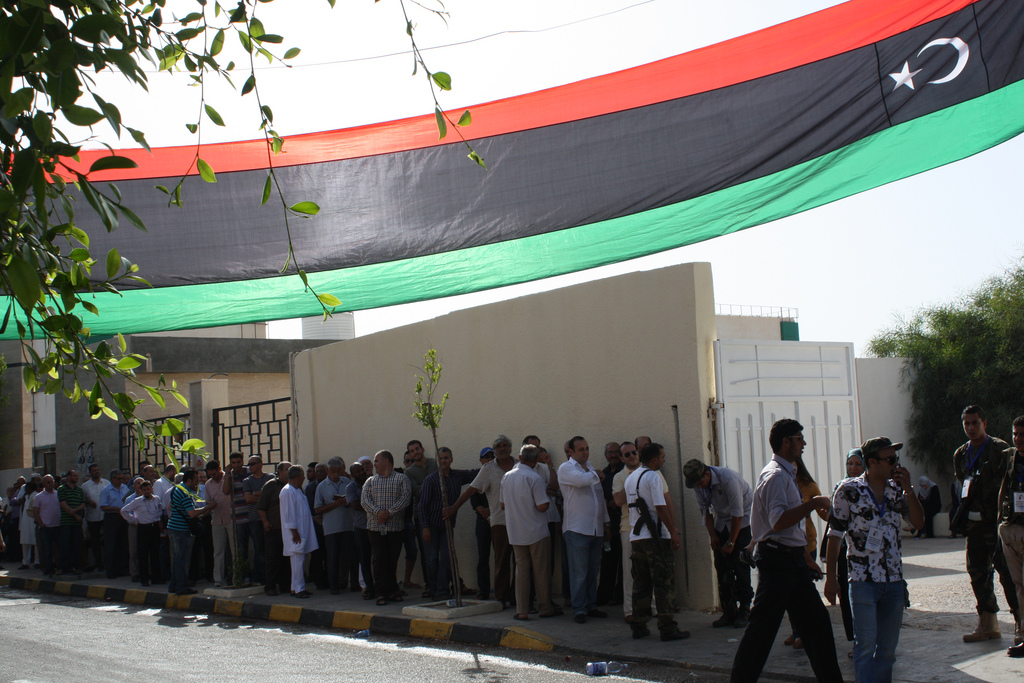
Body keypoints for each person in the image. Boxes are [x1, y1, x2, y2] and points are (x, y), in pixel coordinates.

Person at [730, 418, 841, 683]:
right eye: (799, 438)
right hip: (778, 563)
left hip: (791, 563)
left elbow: (788, 532)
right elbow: (778, 522)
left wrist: (805, 558)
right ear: (785, 442)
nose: (803, 444)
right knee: (761, 632)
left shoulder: (786, 474)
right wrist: (813, 503)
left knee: (817, 628)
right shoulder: (776, 476)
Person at [825, 437, 924, 682]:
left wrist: (909, 489)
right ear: (872, 462)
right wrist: (831, 580)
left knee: (888, 651)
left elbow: (919, 523)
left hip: (893, 582)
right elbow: (834, 536)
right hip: (862, 581)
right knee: (865, 646)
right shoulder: (848, 491)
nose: (895, 465)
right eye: (890, 460)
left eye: (896, 460)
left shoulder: (896, 490)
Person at [953, 405, 1017, 641]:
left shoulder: (1000, 449)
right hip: (974, 524)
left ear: (984, 423)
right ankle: (988, 623)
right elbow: (962, 484)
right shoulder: (961, 454)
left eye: (975, 423)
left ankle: (1020, 623)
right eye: (966, 423)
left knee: (1008, 574)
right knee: (978, 573)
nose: (970, 427)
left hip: (997, 522)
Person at [624, 442, 689, 641]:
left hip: (637, 537)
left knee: (641, 583)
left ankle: (639, 625)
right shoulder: (653, 476)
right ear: (654, 460)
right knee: (664, 582)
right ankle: (667, 627)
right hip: (655, 537)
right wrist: (673, 532)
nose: (664, 460)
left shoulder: (631, 477)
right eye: (662, 457)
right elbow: (660, 507)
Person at [447, 436, 517, 607]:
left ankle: (518, 596)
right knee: (501, 561)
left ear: (510, 448)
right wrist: (454, 507)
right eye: (499, 446)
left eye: (505, 445)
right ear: (495, 451)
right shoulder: (488, 469)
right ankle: (502, 597)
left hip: (520, 521)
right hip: (500, 522)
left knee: (520, 562)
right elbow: (471, 490)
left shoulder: (519, 465)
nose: (502, 449)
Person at [684, 457, 754, 628]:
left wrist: (731, 543)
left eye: (700, 482)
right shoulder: (699, 484)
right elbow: (705, 511)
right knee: (722, 567)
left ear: (707, 473)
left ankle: (745, 608)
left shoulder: (728, 478)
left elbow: (737, 513)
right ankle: (729, 610)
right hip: (721, 520)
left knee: (740, 564)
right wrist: (713, 535)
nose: (699, 487)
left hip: (741, 521)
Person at [500, 444, 558, 620]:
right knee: (541, 571)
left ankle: (522, 609)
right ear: (536, 460)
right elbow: (542, 506)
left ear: (519, 458)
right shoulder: (534, 477)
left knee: (521, 570)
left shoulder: (506, 477)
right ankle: (545, 607)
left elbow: (502, 505)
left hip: (516, 531)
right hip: (536, 531)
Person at [558, 436, 610, 623]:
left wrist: (605, 522)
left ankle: (591, 605)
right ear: (571, 452)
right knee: (579, 572)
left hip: (595, 528)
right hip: (577, 528)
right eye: (581, 449)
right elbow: (581, 481)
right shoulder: (566, 468)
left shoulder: (590, 468)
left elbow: (599, 497)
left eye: (587, 448)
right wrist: (597, 474)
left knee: (592, 570)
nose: (585, 452)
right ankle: (579, 608)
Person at [418, 447, 476, 601]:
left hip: (448, 526)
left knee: (446, 558)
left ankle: (443, 590)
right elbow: (422, 506)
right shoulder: (430, 480)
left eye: (446, 458)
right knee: (431, 559)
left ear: (451, 459)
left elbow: (474, 474)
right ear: (437, 461)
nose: (443, 461)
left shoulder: (457, 476)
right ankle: (433, 588)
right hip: (431, 525)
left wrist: (491, 464)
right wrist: (424, 527)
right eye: (441, 458)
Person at [362, 450, 412, 605]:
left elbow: (405, 498)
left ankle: (393, 590)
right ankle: (380, 592)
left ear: (386, 461)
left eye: (377, 461)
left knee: (392, 560)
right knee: (379, 559)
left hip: (395, 527)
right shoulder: (370, 481)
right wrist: (378, 512)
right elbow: (365, 500)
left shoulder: (401, 479)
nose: (374, 464)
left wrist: (389, 513)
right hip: (375, 528)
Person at [998, 416, 1024, 656]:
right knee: (1019, 584)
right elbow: (1004, 487)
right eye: (1015, 434)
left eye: (1022, 435)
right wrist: (1001, 522)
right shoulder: (1010, 457)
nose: (1018, 439)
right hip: (1012, 526)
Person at [167, 467, 215, 595]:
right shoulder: (185, 493)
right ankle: (181, 587)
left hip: (175, 527)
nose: (198, 483)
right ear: (189, 480)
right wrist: (208, 507)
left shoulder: (177, 489)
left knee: (178, 559)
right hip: (181, 529)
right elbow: (192, 513)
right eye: (196, 480)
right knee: (182, 560)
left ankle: (174, 585)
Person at [314, 456, 355, 595]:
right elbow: (317, 509)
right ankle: (334, 585)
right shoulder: (321, 487)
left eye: (338, 471)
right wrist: (334, 504)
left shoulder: (347, 482)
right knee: (333, 557)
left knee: (349, 557)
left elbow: (354, 500)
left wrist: (346, 502)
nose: (336, 474)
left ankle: (349, 583)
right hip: (331, 528)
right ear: (327, 471)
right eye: (333, 471)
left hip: (348, 526)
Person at [280, 465, 318, 598]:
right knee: (297, 560)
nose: (304, 478)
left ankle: (295, 587)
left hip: (302, 531)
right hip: (295, 533)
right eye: (302, 476)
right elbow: (288, 514)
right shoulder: (288, 491)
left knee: (300, 560)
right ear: (297, 476)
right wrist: (294, 531)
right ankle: (299, 589)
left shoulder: (297, 490)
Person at [403, 439, 436, 594]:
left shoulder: (434, 463)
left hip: (439, 512)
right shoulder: (409, 472)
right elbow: (417, 492)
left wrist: (425, 485)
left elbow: (441, 484)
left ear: (422, 449)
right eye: (412, 451)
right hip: (421, 516)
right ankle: (430, 585)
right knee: (426, 553)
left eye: (417, 449)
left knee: (443, 551)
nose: (415, 452)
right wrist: (431, 485)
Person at [258, 461, 293, 597]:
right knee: (273, 558)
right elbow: (261, 506)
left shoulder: (293, 485)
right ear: (279, 471)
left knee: (287, 559)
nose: (289, 472)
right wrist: (265, 522)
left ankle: (286, 585)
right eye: (287, 469)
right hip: (274, 528)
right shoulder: (271, 486)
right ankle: (270, 586)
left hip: (289, 529)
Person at [120, 480, 164, 586]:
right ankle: (144, 579)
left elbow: (160, 510)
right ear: (141, 491)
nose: (147, 491)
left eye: (148, 489)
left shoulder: (156, 499)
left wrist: (159, 520)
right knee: (143, 554)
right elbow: (123, 511)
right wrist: (134, 520)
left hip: (154, 527)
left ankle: (156, 578)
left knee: (155, 554)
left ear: (152, 489)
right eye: (144, 490)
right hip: (143, 528)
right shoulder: (137, 501)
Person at [597, 441, 624, 606]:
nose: (613, 455)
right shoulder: (604, 474)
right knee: (607, 562)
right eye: (610, 452)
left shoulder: (625, 472)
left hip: (624, 523)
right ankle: (604, 595)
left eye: (616, 452)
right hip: (609, 525)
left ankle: (619, 595)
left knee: (623, 562)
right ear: (606, 455)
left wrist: (617, 500)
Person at [241, 456, 273, 585]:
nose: (250, 467)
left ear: (260, 464)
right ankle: (260, 576)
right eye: (249, 464)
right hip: (254, 519)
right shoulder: (247, 481)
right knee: (258, 549)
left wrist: (257, 494)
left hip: (270, 518)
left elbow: (272, 496)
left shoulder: (270, 478)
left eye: (253, 464)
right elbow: (248, 499)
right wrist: (263, 495)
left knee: (270, 549)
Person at [347, 459, 375, 599]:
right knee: (364, 560)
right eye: (357, 471)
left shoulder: (372, 482)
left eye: (362, 470)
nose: (361, 473)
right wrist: (371, 504)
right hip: (361, 528)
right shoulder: (350, 488)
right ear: (352, 475)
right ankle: (369, 588)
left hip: (374, 526)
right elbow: (355, 505)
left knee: (378, 559)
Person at [204, 460, 234, 587]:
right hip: (216, 520)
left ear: (219, 469)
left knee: (234, 550)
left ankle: (236, 576)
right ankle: (218, 579)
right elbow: (207, 502)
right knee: (218, 551)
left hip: (231, 518)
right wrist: (211, 505)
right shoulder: (208, 484)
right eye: (210, 475)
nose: (213, 476)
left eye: (214, 473)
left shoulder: (229, 478)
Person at [471, 447, 495, 600]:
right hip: (483, 521)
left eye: (491, 456)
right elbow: (474, 500)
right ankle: (483, 590)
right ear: (481, 460)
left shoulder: (500, 475)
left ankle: (502, 590)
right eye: (486, 457)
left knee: (501, 557)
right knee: (483, 557)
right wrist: (483, 511)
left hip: (498, 520)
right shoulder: (478, 476)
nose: (489, 459)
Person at [100, 470, 129, 579]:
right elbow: (103, 506)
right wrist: (116, 509)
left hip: (123, 517)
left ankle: (122, 568)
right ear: (112, 479)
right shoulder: (106, 490)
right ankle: (111, 569)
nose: (120, 481)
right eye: (118, 479)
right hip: (112, 517)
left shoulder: (124, 488)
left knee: (123, 543)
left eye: (121, 478)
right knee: (111, 544)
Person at [57, 469, 86, 574]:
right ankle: (62, 567)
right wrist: (73, 514)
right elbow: (63, 504)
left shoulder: (80, 490)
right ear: (68, 477)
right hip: (66, 522)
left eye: (77, 476)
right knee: (64, 545)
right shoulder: (62, 489)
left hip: (76, 523)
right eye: (74, 475)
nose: (76, 477)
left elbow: (82, 504)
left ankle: (74, 566)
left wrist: (76, 511)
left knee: (75, 545)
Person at [32, 475, 60, 577]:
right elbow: (36, 512)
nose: (50, 484)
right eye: (48, 482)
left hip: (57, 526)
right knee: (47, 550)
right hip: (46, 528)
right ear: (43, 484)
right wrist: (41, 524)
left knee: (59, 549)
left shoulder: (58, 494)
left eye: (52, 482)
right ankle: (48, 569)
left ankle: (59, 567)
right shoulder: (39, 497)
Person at [18, 479, 39, 569]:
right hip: (25, 523)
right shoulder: (26, 498)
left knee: (36, 543)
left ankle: (37, 561)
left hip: (33, 523)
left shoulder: (36, 496)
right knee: (25, 543)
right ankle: (25, 562)